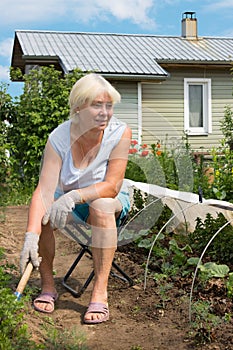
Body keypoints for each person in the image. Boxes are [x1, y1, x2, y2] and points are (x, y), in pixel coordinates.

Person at [19, 73, 132, 324]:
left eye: (109, 106)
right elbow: (44, 190)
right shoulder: (58, 138)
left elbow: (112, 186)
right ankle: (48, 287)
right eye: (96, 105)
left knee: (101, 206)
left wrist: (75, 195)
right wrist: (31, 234)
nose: (104, 113)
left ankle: (100, 294)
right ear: (78, 108)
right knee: (44, 214)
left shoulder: (120, 132)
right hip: (70, 199)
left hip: (105, 198)